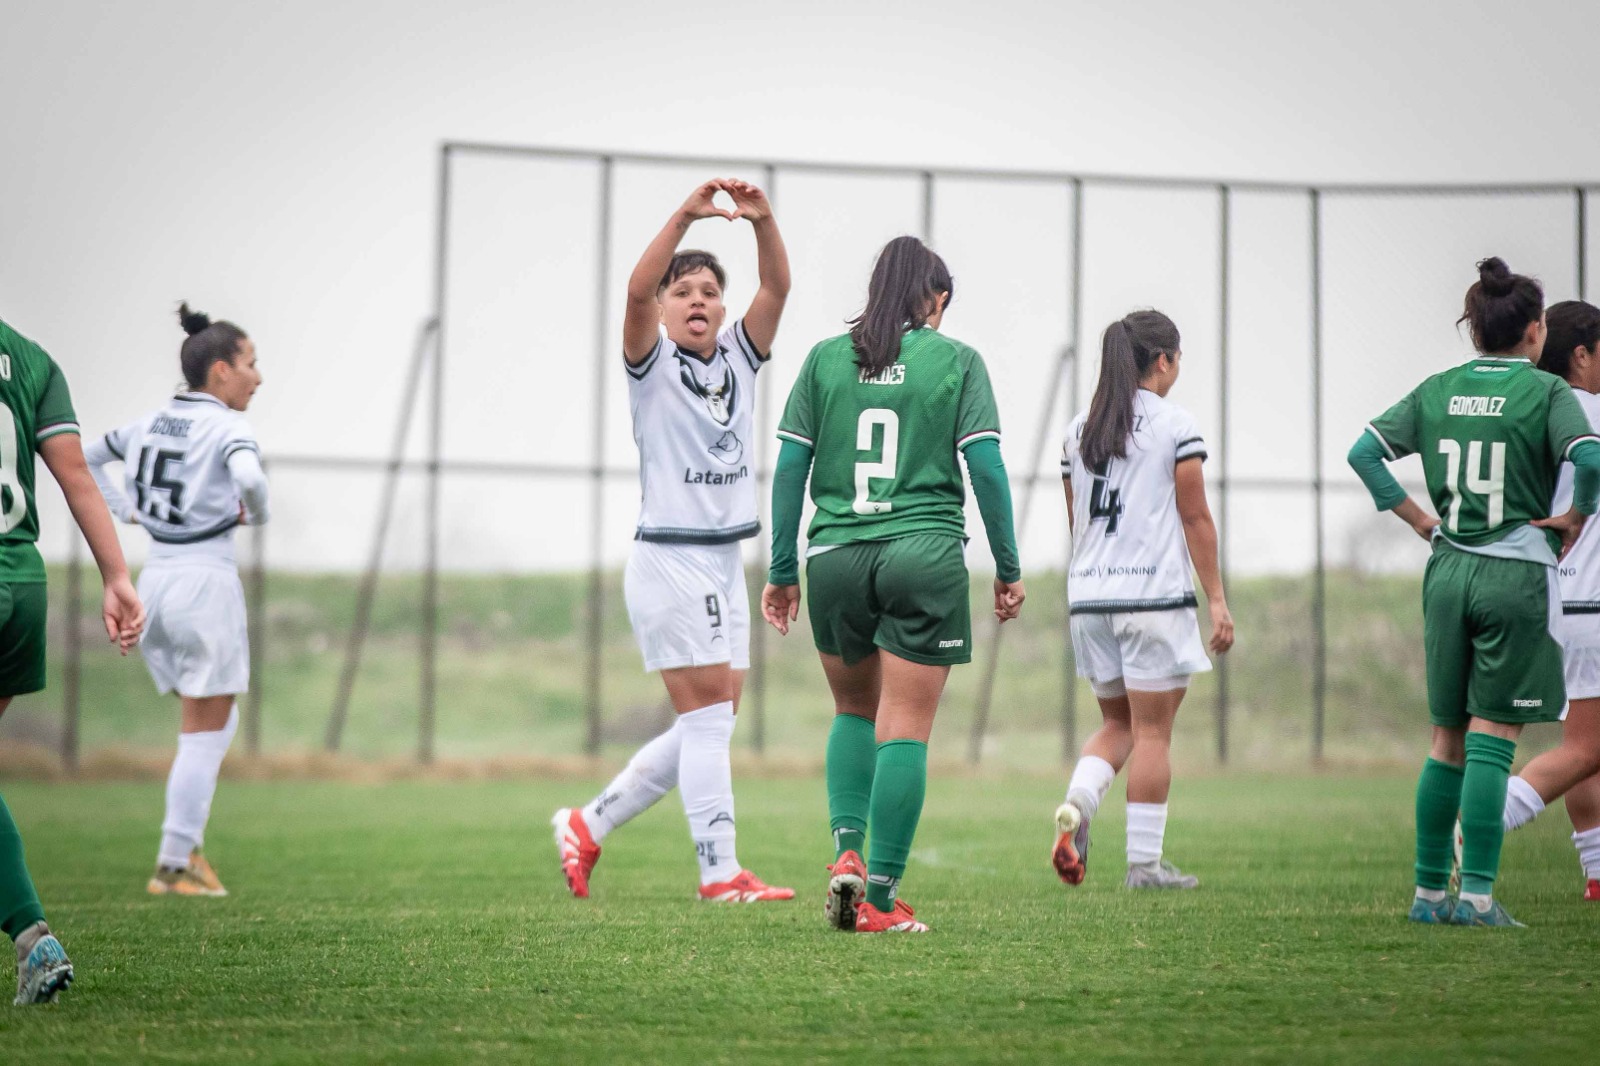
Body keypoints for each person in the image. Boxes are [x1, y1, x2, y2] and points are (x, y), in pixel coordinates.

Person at [762, 234, 1025, 934]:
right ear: (933, 299)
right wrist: (1008, 565)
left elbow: (790, 471)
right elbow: (989, 471)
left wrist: (784, 570)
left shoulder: (824, 359)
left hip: (837, 555)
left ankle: (846, 855)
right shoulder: (957, 360)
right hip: (923, 550)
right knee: (903, 726)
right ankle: (878, 902)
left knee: (853, 711)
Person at [552, 179, 795, 903]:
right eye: (682, 290)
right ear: (663, 308)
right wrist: (686, 215)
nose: (697, 301)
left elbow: (779, 284)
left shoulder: (742, 360)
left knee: (709, 722)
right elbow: (631, 293)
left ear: (723, 308)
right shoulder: (652, 364)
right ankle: (720, 874)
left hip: (725, 561)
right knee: (710, 723)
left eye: (708, 292)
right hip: (670, 557)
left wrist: (763, 220)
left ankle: (587, 824)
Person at [1348, 257, 1600, 927]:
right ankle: (1479, 897)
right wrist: (1577, 516)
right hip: (1514, 574)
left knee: (1445, 741)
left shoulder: (1437, 389)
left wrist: (1418, 519)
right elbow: (1592, 459)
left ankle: (1429, 895)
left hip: (1448, 570)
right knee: (1494, 737)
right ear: (1535, 331)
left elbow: (1363, 453)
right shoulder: (1547, 395)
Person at [86, 303, 268, 898]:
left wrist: (128, 512)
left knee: (209, 720)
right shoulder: (228, 427)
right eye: (250, 363)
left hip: (154, 580)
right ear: (219, 371)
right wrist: (257, 514)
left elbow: (87, 457)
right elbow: (248, 481)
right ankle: (175, 859)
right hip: (203, 581)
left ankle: (181, 854)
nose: (257, 376)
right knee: (205, 729)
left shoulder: (150, 423)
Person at [1053, 310, 1233, 892]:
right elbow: (1196, 516)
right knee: (1153, 733)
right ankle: (1145, 869)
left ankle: (1077, 806)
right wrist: (1218, 601)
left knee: (1117, 723)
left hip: (1089, 599)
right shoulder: (1175, 425)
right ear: (1163, 361)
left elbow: (1076, 518)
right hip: (1152, 597)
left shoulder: (1078, 429)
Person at [0, 315, 145, 1003]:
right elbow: (75, 473)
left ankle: (34, 939)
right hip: (21, 584)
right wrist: (117, 577)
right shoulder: (29, 358)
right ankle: (33, 941)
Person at [1495, 299, 1600, 900]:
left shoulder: (1535, 412)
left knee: (1581, 742)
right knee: (1587, 749)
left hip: (1556, 597)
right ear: (1581, 355)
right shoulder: (1586, 411)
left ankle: (1596, 873)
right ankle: (1481, 823)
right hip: (1592, 597)